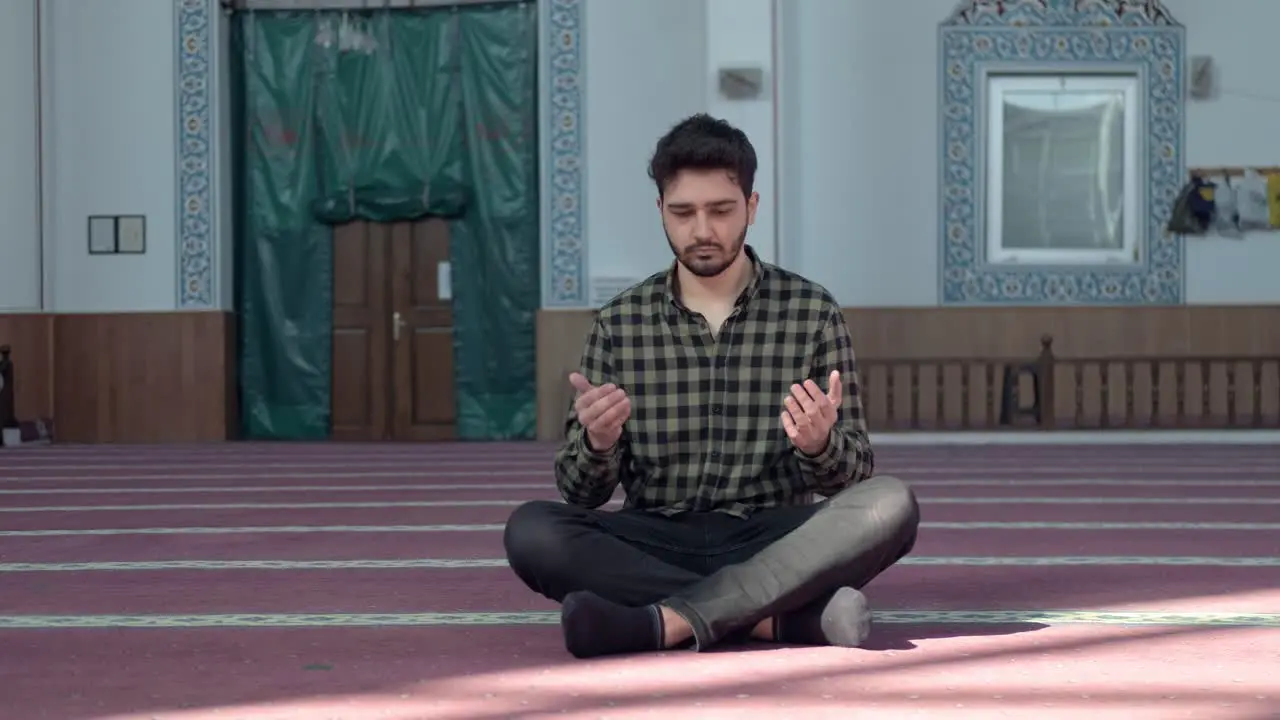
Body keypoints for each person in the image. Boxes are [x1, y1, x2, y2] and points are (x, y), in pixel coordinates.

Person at [503, 113, 920, 659]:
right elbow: (580, 494)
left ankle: (658, 622)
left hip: (772, 540)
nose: (702, 230)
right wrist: (599, 445)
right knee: (531, 531)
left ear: (751, 206)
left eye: (721, 210)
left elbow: (854, 479)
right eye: (683, 212)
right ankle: (777, 621)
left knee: (890, 505)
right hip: (654, 537)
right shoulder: (620, 322)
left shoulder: (811, 312)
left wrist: (820, 445)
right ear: (660, 213)